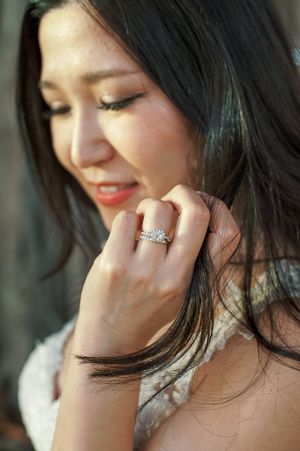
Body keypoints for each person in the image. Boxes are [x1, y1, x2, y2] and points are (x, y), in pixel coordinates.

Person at [16, 0, 300, 450]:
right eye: (57, 108)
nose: (79, 150)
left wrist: (107, 352)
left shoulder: (283, 352)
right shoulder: (139, 279)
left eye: (115, 100)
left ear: (223, 87)